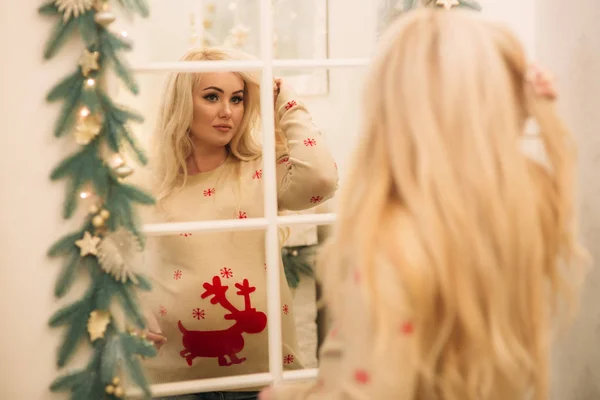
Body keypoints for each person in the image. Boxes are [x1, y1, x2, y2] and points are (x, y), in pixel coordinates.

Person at [260, 8, 587, 400]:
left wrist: (286, 396)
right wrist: (535, 111)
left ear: (391, 114)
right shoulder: (517, 209)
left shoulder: (387, 243)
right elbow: (551, 173)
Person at [139, 47, 339, 400]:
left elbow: (322, 180)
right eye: (212, 97)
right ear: (182, 102)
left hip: (264, 378)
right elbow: (121, 265)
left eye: (238, 99)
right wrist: (134, 309)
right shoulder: (148, 183)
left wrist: (284, 101)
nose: (227, 112)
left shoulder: (260, 170)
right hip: (171, 380)